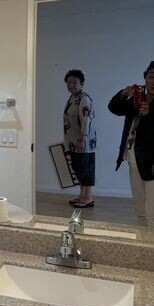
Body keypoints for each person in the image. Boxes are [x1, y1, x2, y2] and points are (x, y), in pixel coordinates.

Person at [108, 61, 154, 227]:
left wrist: (150, 114)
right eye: (151, 77)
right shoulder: (138, 98)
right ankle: (142, 242)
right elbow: (114, 108)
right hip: (134, 159)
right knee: (140, 210)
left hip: (153, 164)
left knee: (152, 214)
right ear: (145, 78)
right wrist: (123, 93)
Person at [63, 69, 96, 208]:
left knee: (86, 168)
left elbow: (86, 120)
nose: (71, 85)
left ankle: (88, 197)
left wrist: (82, 140)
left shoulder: (84, 99)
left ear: (81, 83)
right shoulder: (72, 99)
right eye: (68, 82)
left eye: (74, 82)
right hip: (73, 142)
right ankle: (82, 195)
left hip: (83, 142)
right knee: (78, 168)